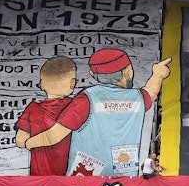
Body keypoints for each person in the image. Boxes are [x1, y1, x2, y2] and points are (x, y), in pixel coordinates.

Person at [25, 49, 172, 176]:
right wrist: (158, 74)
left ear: (92, 74)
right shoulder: (137, 98)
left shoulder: (86, 99)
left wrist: (28, 142)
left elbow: (56, 134)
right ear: (127, 71)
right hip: (124, 179)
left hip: (87, 179)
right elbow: (151, 93)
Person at [15, 56, 78, 176]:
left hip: (39, 175)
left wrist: (30, 142)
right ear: (72, 83)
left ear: (42, 84)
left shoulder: (33, 109)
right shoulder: (75, 106)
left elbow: (20, 141)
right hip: (71, 175)